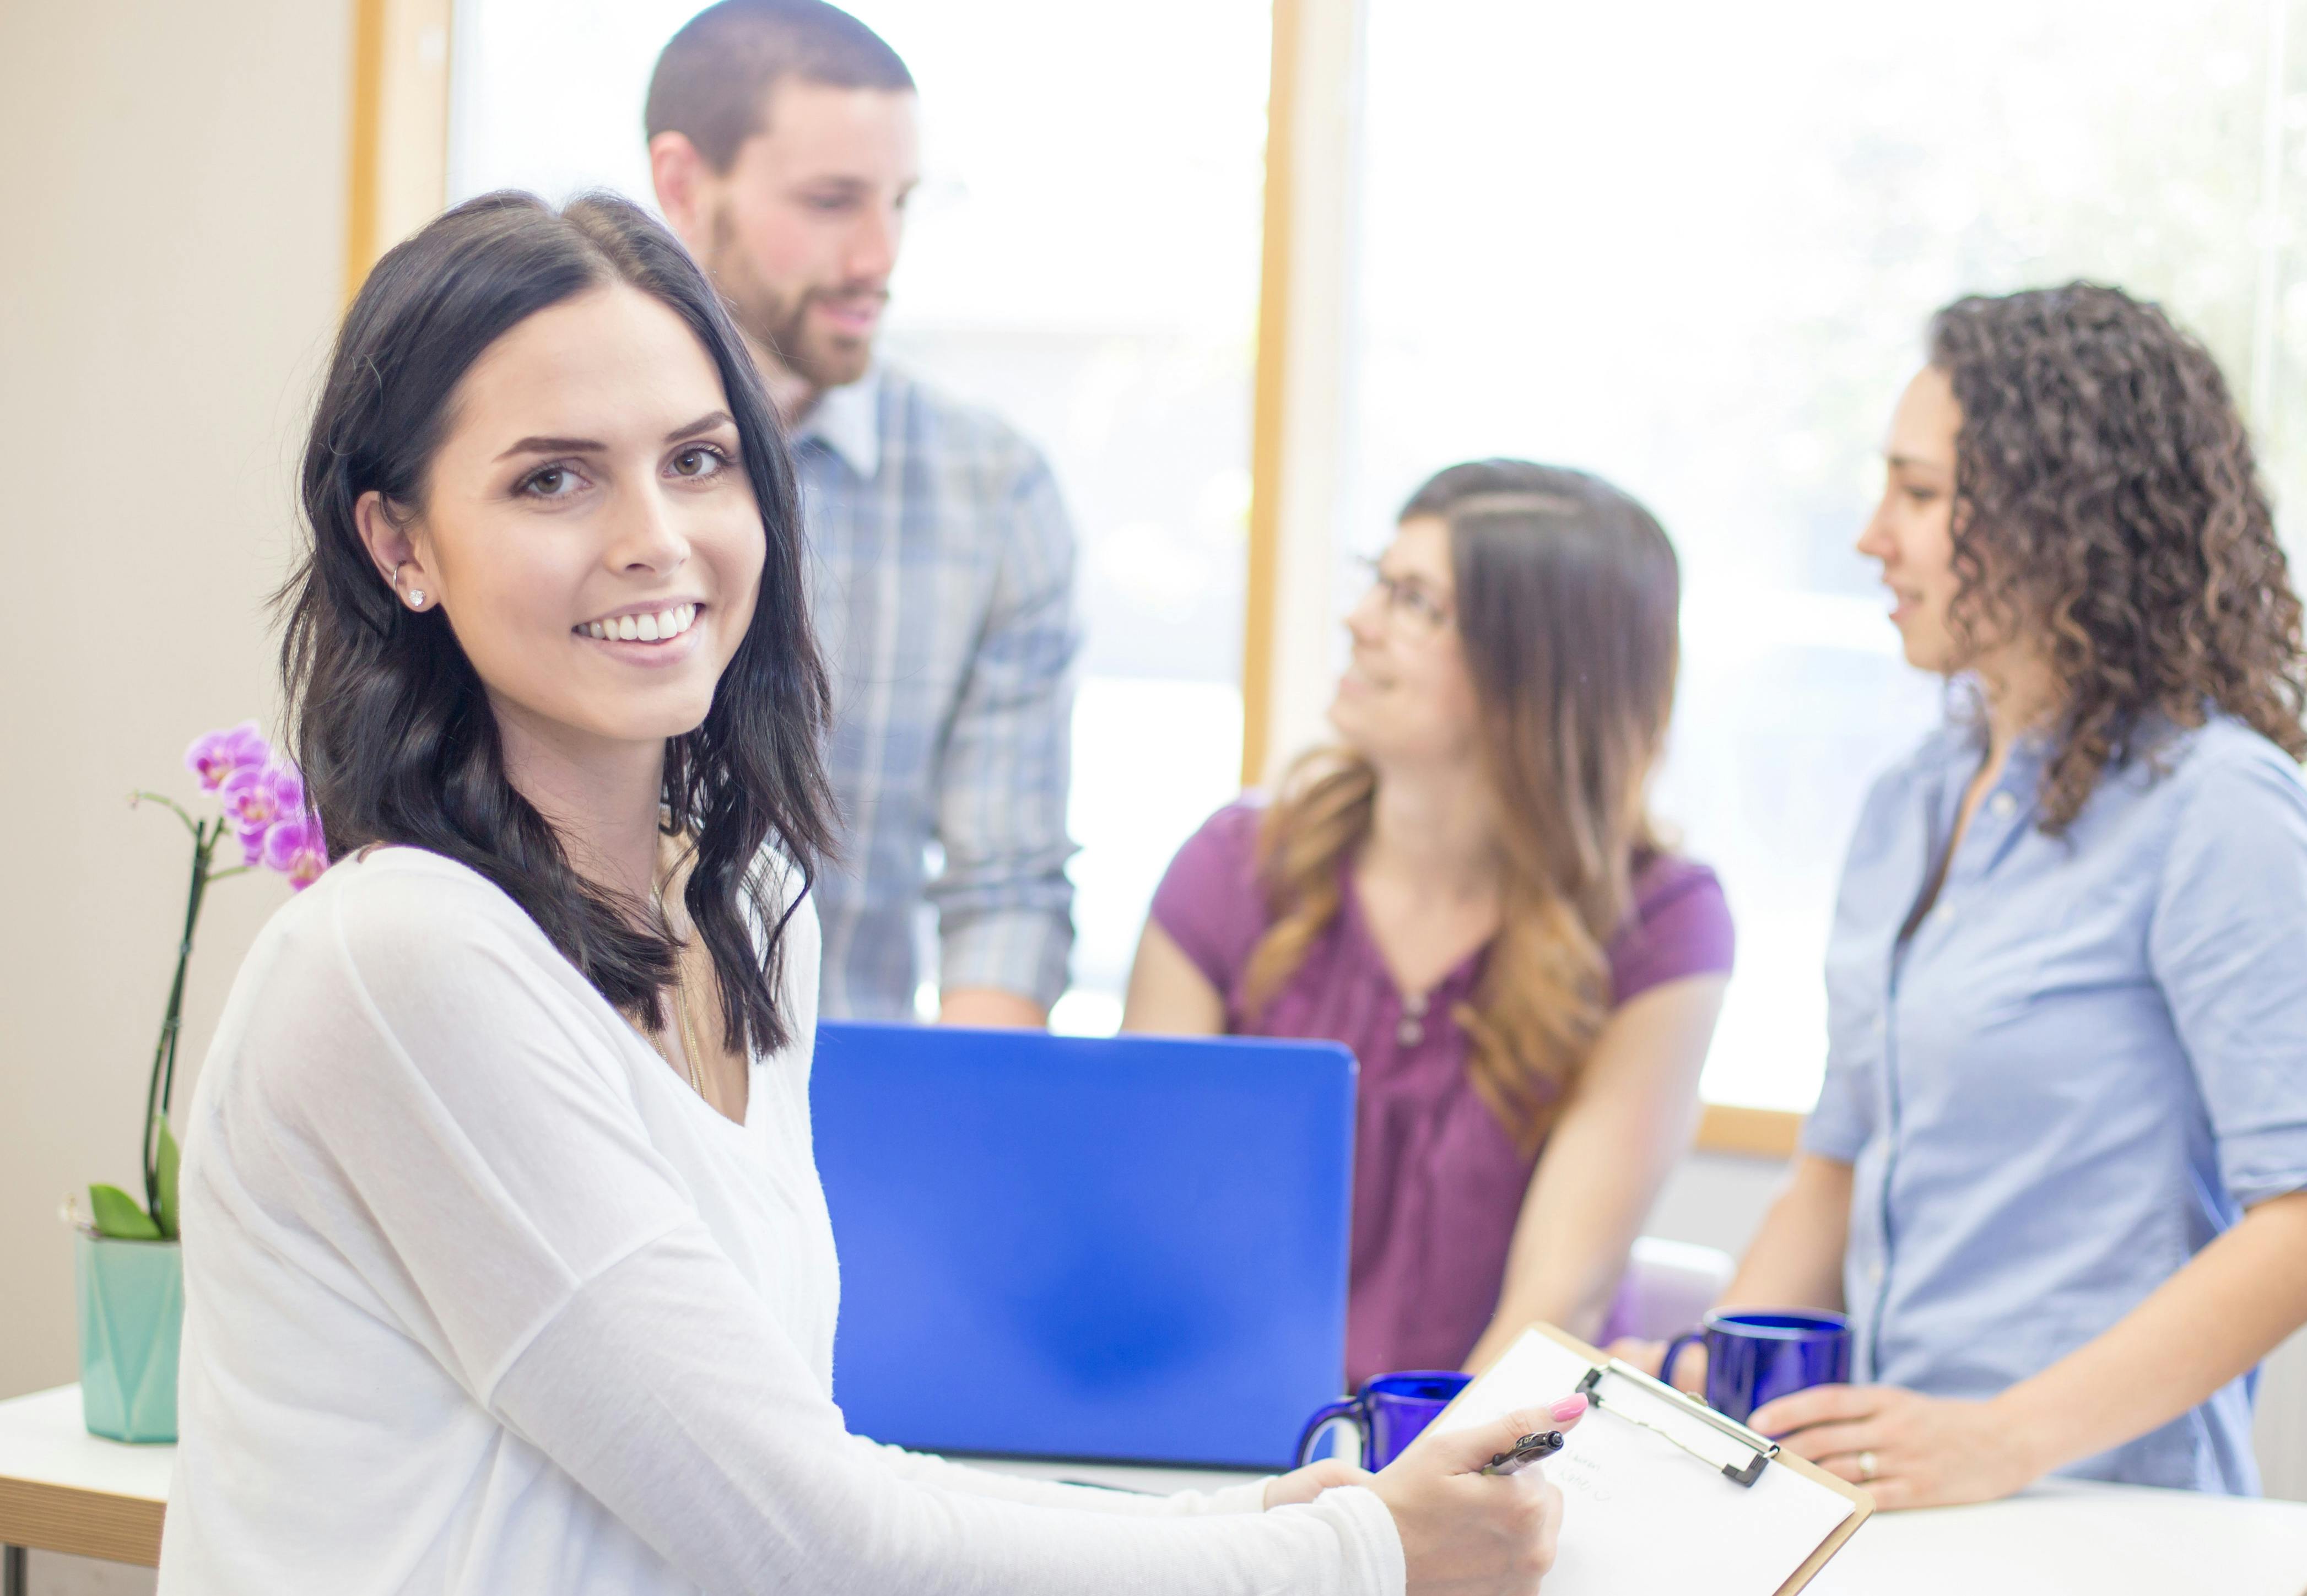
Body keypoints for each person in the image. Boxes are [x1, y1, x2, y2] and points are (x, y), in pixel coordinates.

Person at [160, 191, 1576, 1596]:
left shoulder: (747, 898)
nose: (654, 535)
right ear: (400, 544)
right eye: (553, 479)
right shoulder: (403, 956)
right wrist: (1351, 1558)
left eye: (699, 460)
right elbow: (803, 1536)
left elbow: (808, 1468)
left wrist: (1256, 1530)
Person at [1621, 284, 2307, 1506]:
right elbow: (1833, 1171)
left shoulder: (2219, 810)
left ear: (2063, 518)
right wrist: (1695, 1399)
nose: (1875, 535)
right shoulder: (1910, 803)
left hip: (2108, 1506)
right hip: (1889, 1492)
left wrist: (2005, 1438)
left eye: (1920, 496)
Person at [1124, 461, 1735, 1387]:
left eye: (1415, 602)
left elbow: (1556, 1303)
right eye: (1379, 580)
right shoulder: (1233, 868)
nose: (1359, 620)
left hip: (1487, 1465)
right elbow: (1143, 1223)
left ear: (1530, 664)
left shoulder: (1662, 924)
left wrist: (1410, 1497)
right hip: (1234, 1462)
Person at [646, 0, 1073, 1027]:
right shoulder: (551, 465)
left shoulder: (994, 491)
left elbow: (1003, 895)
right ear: (683, 186)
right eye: (833, 201)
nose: (879, 256)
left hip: (851, 1129)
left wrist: (958, 1143)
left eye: (900, 202)